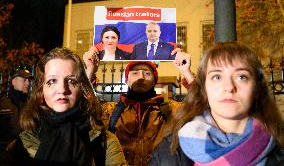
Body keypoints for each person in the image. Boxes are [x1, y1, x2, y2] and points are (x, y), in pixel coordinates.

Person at [149, 42, 284, 166]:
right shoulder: (169, 150)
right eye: (217, 77)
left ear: (257, 88)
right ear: (203, 88)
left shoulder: (278, 149)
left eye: (241, 77)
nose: (229, 87)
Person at [0, 48, 127, 165]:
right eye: (52, 81)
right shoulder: (21, 146)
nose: (62, 89)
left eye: (71, 81)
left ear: (81, 89)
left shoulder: (106, 143)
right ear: (41, 90)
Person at [83, 47, 195, 166]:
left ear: (155, 80)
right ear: (126, 80)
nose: (141, 77)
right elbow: (80, 108)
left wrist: (186, 72)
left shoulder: (173, 110)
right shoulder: (109, 111)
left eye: (147, 73)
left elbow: (205, 108)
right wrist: (89, 70)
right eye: (135, 73)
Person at [0, 66, 32, 151]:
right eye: (25, 80)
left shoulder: (29, 105)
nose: (28, 83)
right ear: (13, 81)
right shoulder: (2, 103)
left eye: (29, 80)